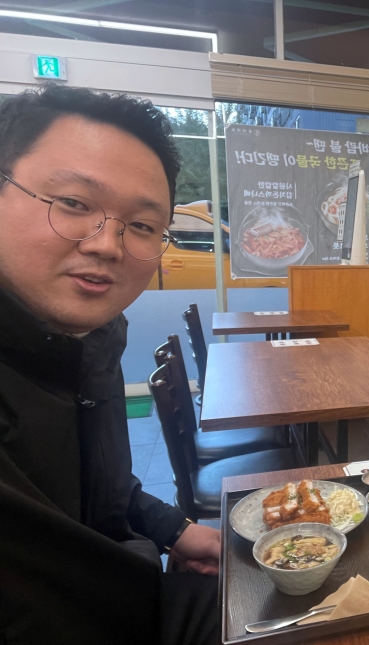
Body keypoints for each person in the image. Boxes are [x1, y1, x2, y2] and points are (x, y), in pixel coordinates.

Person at [0, 84, 220, 645]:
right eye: (74, 203)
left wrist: (173, 529)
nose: (107, 245)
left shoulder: (89, 340)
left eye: (141, 225)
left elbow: (96, 488)